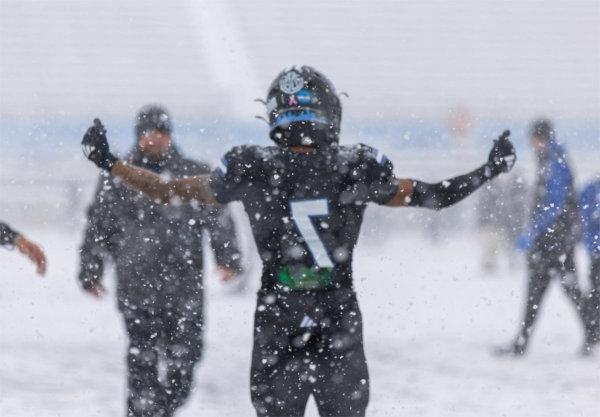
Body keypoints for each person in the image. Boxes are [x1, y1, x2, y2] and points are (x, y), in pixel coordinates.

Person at [81, 66, 516, 417]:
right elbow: (432, 196)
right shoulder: (353, 166)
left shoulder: (253, 167)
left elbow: (167, 189)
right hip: (336, 314)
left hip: (279, 316)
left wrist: (113, 165)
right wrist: (486, 172)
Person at [78, 105, 242, 417]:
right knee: (143, 363)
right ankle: (142, 412)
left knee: (186, 364)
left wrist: (228, 257)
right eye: (148, 133)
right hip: (136, 286)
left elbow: (218, 217)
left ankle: (158, 412)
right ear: (139, 135)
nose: (154, 139)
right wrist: (91, 270)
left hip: (185, 289)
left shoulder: (192, 172)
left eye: (161, 132)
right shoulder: (117, 177)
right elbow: (98, 226)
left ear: (170, 135)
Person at [496, 119, 592, 356]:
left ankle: (523, 343)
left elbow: (555, 203)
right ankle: (524, 342)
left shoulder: (554, 161)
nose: (531, 144)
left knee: (545, 291)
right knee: (562, 291)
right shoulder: (551, 158)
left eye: (533, 138)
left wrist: (534, 231)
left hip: (553, 241)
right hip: (556, 240)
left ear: (540, 137)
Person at [579, 177, 600, 352]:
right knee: (593, 294)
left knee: (593, 295)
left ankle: (592, 333)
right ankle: (592, 333)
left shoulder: (591, 189)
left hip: (596, 251)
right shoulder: (592, 189)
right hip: (597, 252)